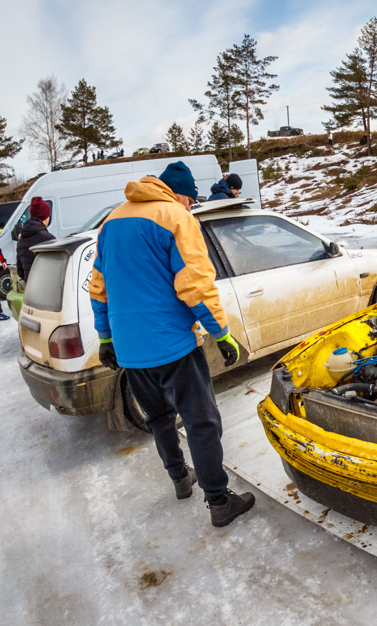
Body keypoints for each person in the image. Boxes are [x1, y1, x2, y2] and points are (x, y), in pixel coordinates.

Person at [88, 161, 254, 527]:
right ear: (179, 194)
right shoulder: (175, 217)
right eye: (191, 201)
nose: (191, 207)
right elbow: (195, 285)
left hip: (129, 350)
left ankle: (180, 478)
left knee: (159, 418)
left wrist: (105, 337)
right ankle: (219, 501)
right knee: (201, 421)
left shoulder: (111, 222)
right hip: (173, 345)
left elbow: (98, 288)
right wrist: (221, 333)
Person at [16, 196, 55, 282]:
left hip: (30, 286)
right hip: (47, 285)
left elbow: (20, 272)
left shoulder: (21, 240)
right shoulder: (48, 239)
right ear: (45, 217)